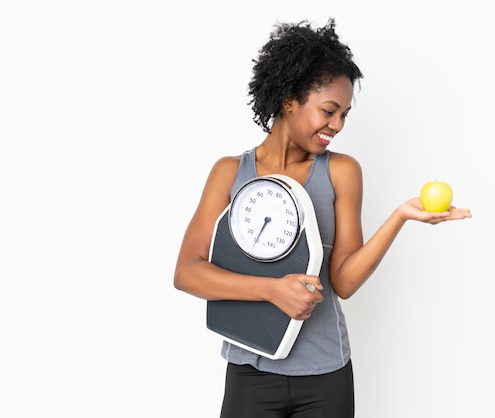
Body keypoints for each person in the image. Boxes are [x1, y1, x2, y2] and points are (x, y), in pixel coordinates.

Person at [173, 18, 472, 418]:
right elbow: (187, 273)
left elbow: (344, 282)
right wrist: (272, 290)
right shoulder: (230, 172)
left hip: (325, 374)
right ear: (288, 99)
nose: (337, 125)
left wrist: (400, 216)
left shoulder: (341, 172)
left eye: (345, 114)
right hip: (250, 370)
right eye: (329, 111)